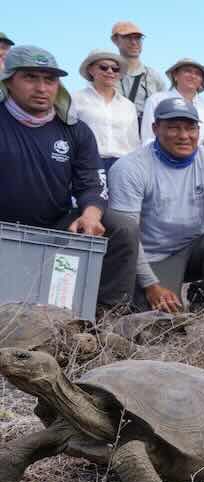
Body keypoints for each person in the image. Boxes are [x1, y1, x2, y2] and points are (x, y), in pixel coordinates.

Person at [0, 46, 138, 316]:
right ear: (9, 81)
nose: (42, 88)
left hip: (55, 227)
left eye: (50, 80)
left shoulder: (75, 129)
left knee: (122, 228)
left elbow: (91, 183)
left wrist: (90, 214)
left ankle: (107, 317)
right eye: (30, 77)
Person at [109, 97, 204, 314]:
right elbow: (127, 238)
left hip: (192, 250)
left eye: (191, 128)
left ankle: (203, 298)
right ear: (155, 128)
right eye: (173, 128)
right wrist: (152, 286)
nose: (184, 136)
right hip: (147, 256)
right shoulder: (129, 168)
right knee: (159, 318)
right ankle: (148, 288)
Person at [71, 49, 137, 174]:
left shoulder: (129, 106)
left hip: (123, 166)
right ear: (91, 70)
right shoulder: (75, 99)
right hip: (87, 164)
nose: (110, 71)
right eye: (104, 67)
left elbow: (134, 142)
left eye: (115, 69)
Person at [140, 59, 204, 144]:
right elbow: (148, 139)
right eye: (188, 71)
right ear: (175, 75)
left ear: (201, 81)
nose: (193, 76)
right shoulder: (156, 100)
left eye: (198, 74)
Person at [109, 21, 164, 131]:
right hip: (116, 136)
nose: (134, 42)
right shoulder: (106, 73)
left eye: (138, 38)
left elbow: (164, 109)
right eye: (128, 38)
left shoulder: (153, 76)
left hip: (148, 136)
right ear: (115, 40)